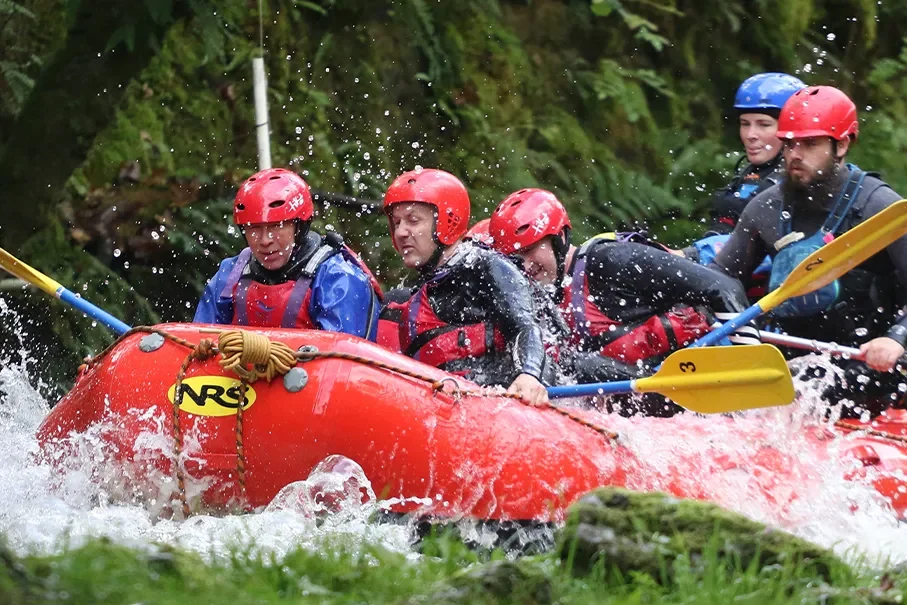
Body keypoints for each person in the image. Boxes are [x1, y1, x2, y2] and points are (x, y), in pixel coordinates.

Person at [711, 85, 907, 416]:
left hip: (874, 363)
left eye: (810, 144)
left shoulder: (880, 207)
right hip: (796, 358)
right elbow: (720, 278)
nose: (795, 154)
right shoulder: (766, 208)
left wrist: (896, 338)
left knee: (809, 388)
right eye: (789, 144)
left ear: (841, 145)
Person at [488, 188, 757, 416]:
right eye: (515, 259)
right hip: (644, 398)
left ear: (558, 239)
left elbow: (724, 287)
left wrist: (750, 369)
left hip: (700, 383)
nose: (526, 266)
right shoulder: (541, 297)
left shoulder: (611, 261)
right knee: (564, 363)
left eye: (529, 251)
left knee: (578, 364)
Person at [382, 168, 550, 405]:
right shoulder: (415, 293)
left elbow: (525, 326)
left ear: (447, 221)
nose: (400, 232)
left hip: (499, 403)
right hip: (444, 404)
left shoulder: (486, 267)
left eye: (413, 220)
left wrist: (529, 373)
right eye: (396, 222)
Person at [194, 168, 381, 340]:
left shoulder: (338, 277)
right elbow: (198, 343)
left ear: (299, 227)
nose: (265, 240)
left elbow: (341, 357)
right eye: (254, 228)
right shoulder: (230, 274)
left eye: (276, 226)